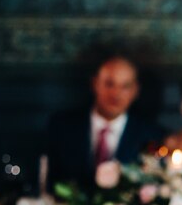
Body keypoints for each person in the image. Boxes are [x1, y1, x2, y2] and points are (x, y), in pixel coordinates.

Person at [46, 55, 163, 190]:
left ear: (135, 91)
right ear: (95, 84)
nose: (115, 93)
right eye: (109, 84)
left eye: (125, 86)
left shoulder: (152, 135)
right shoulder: (62, 126)